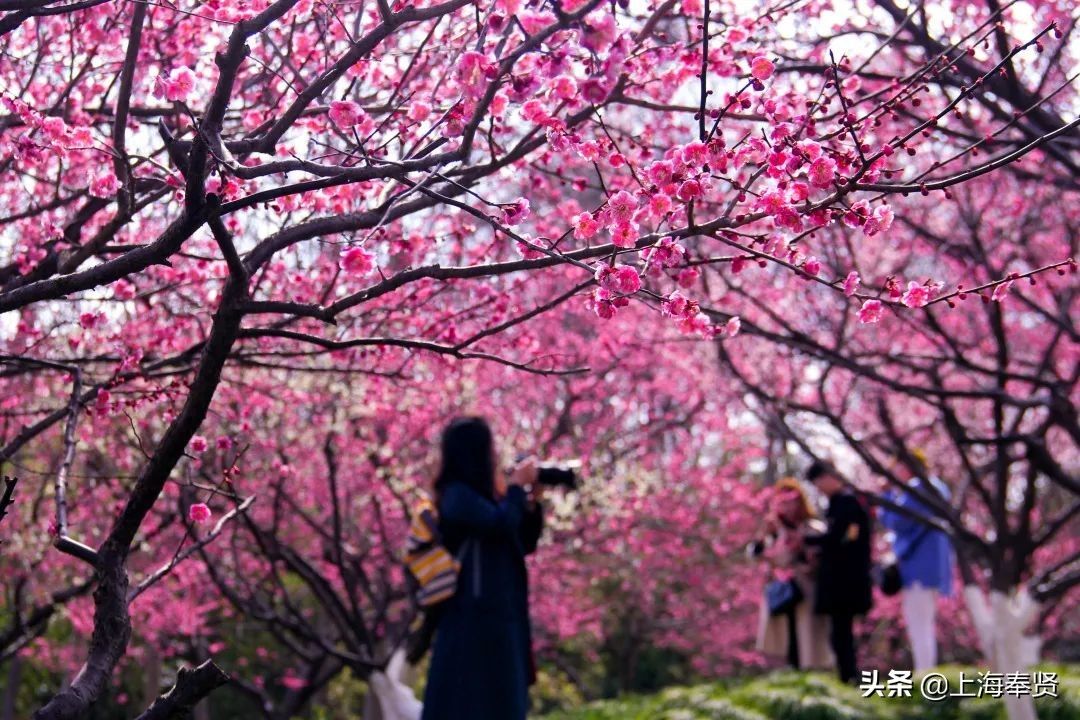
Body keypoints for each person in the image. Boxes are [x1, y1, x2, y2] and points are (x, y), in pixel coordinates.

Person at [421, 417, 544, 720]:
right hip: (473, 622)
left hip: (501, 619)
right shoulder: (456, 496)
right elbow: (499, 526)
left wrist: (532, 502)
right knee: (472, 704)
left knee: (501, 702)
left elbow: (522, 542)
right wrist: (515, 491)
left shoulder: (490, 499)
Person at [880, 450, 954, 672]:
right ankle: (925, 672)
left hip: (917, 566)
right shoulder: (938, 487)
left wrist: (887, 496)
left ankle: (924, 675)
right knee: (924, 624)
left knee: (919, 626)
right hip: (935, 565)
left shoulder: (915, 489)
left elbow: (895, 521)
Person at [750, 477, 833, 670]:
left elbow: (820, 556)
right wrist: (764, 535)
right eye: (783, 502)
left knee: (806, 636)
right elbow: (756, 555)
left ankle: (809, 672)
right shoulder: (773, 530)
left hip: (805, 588)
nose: (788, 507)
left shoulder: (811, 527)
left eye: (792, 501)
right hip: (781, 589)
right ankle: (789, 671)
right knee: (784, 635)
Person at [803, 460, 873, 683]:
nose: (819, 488)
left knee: (842, 631)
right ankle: (848, 674)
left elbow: (845, 538)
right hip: (841, 579)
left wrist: (810, 541)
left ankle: (850, 676)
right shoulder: (838, 503)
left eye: (818, 482)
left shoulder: (848, 503)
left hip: (846, 579)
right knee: (840, 631)